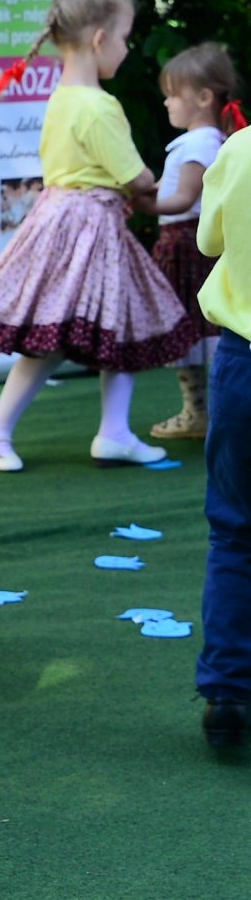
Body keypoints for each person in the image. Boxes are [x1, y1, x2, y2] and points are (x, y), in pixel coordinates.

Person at [0, 0, 201, 471]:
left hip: (72, 223)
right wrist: (151, 185)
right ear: (99, 38)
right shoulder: (98, 106)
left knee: (110, 324)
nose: (128, 49)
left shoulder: (62, 96)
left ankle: (110, 432)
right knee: (68, 333)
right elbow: (137, 175)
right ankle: (1, 427)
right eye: (126, 37)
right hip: (87, 228)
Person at [137, 43, 239, 438]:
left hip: (186, 245)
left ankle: (201, 412)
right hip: (186, 243)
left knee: (195, 331)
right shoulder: (203, 142)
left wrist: (140, 201)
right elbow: (171, 188)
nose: (166, 103)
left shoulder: (199, 143)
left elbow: (182, 198)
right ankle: (201, 411)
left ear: (203, 97)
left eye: (173, 94)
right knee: (198, 332)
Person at [193, 106, 250, 747]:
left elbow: (211, 239)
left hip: (245, 361)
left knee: (236, 532)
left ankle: (228, 688)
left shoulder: (240, 150)